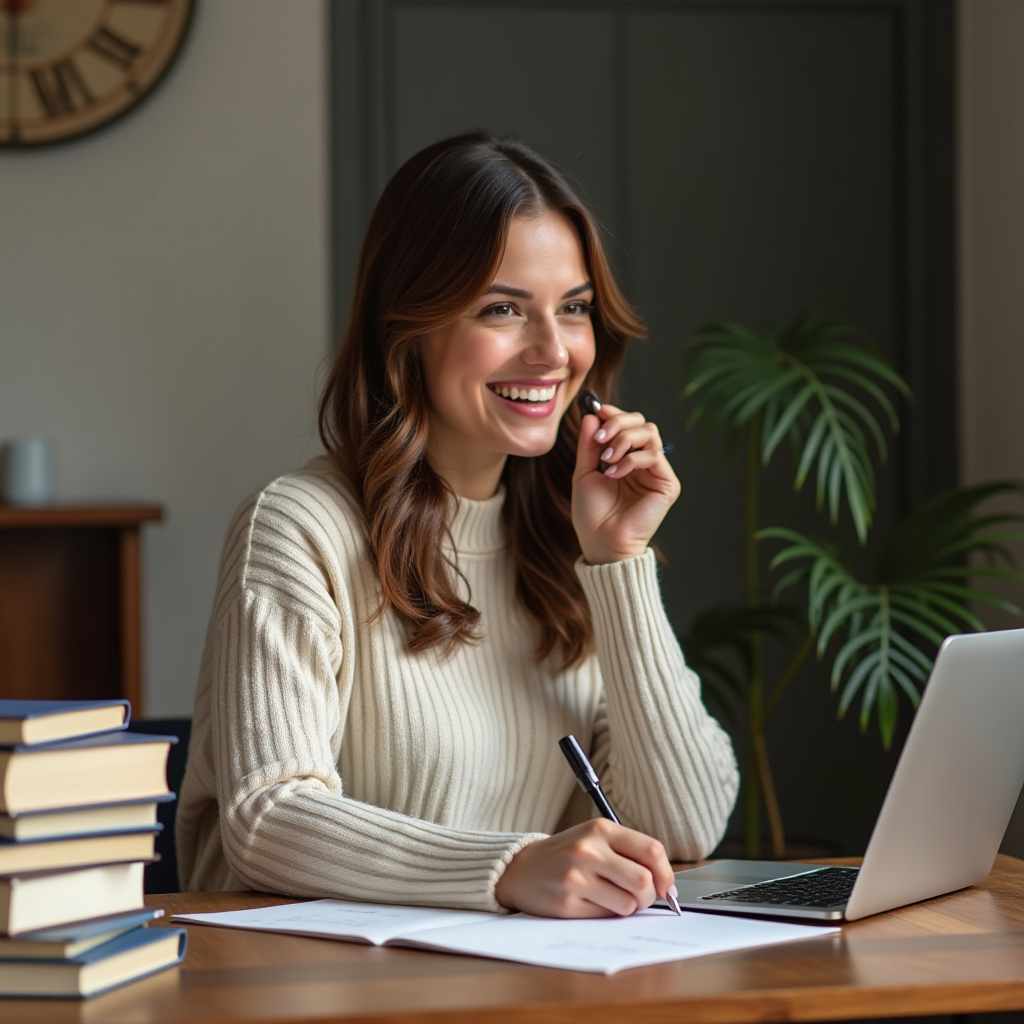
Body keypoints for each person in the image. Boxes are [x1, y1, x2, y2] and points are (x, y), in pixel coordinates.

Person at [177, 132, 738, 918]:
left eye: (572, 309)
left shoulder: (569, 539)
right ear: (410, 327)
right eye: (503, 309)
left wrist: (619, 561)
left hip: (523, 982)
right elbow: (265, 819)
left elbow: (685, 827)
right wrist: (508, 867)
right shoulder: (299, 527)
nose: (552, 352)